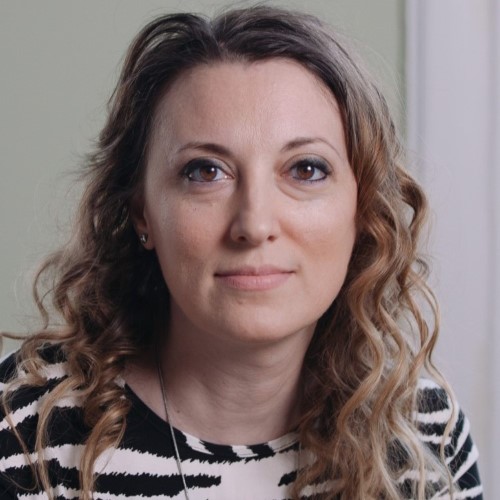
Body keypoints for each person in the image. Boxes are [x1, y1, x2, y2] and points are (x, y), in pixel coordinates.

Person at [0, 6, 482, 500]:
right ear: (142, 212)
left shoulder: (425, 437)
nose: (254, 225)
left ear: (362, 211)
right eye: (205, 171)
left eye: (306, 170)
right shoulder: (22, 425)